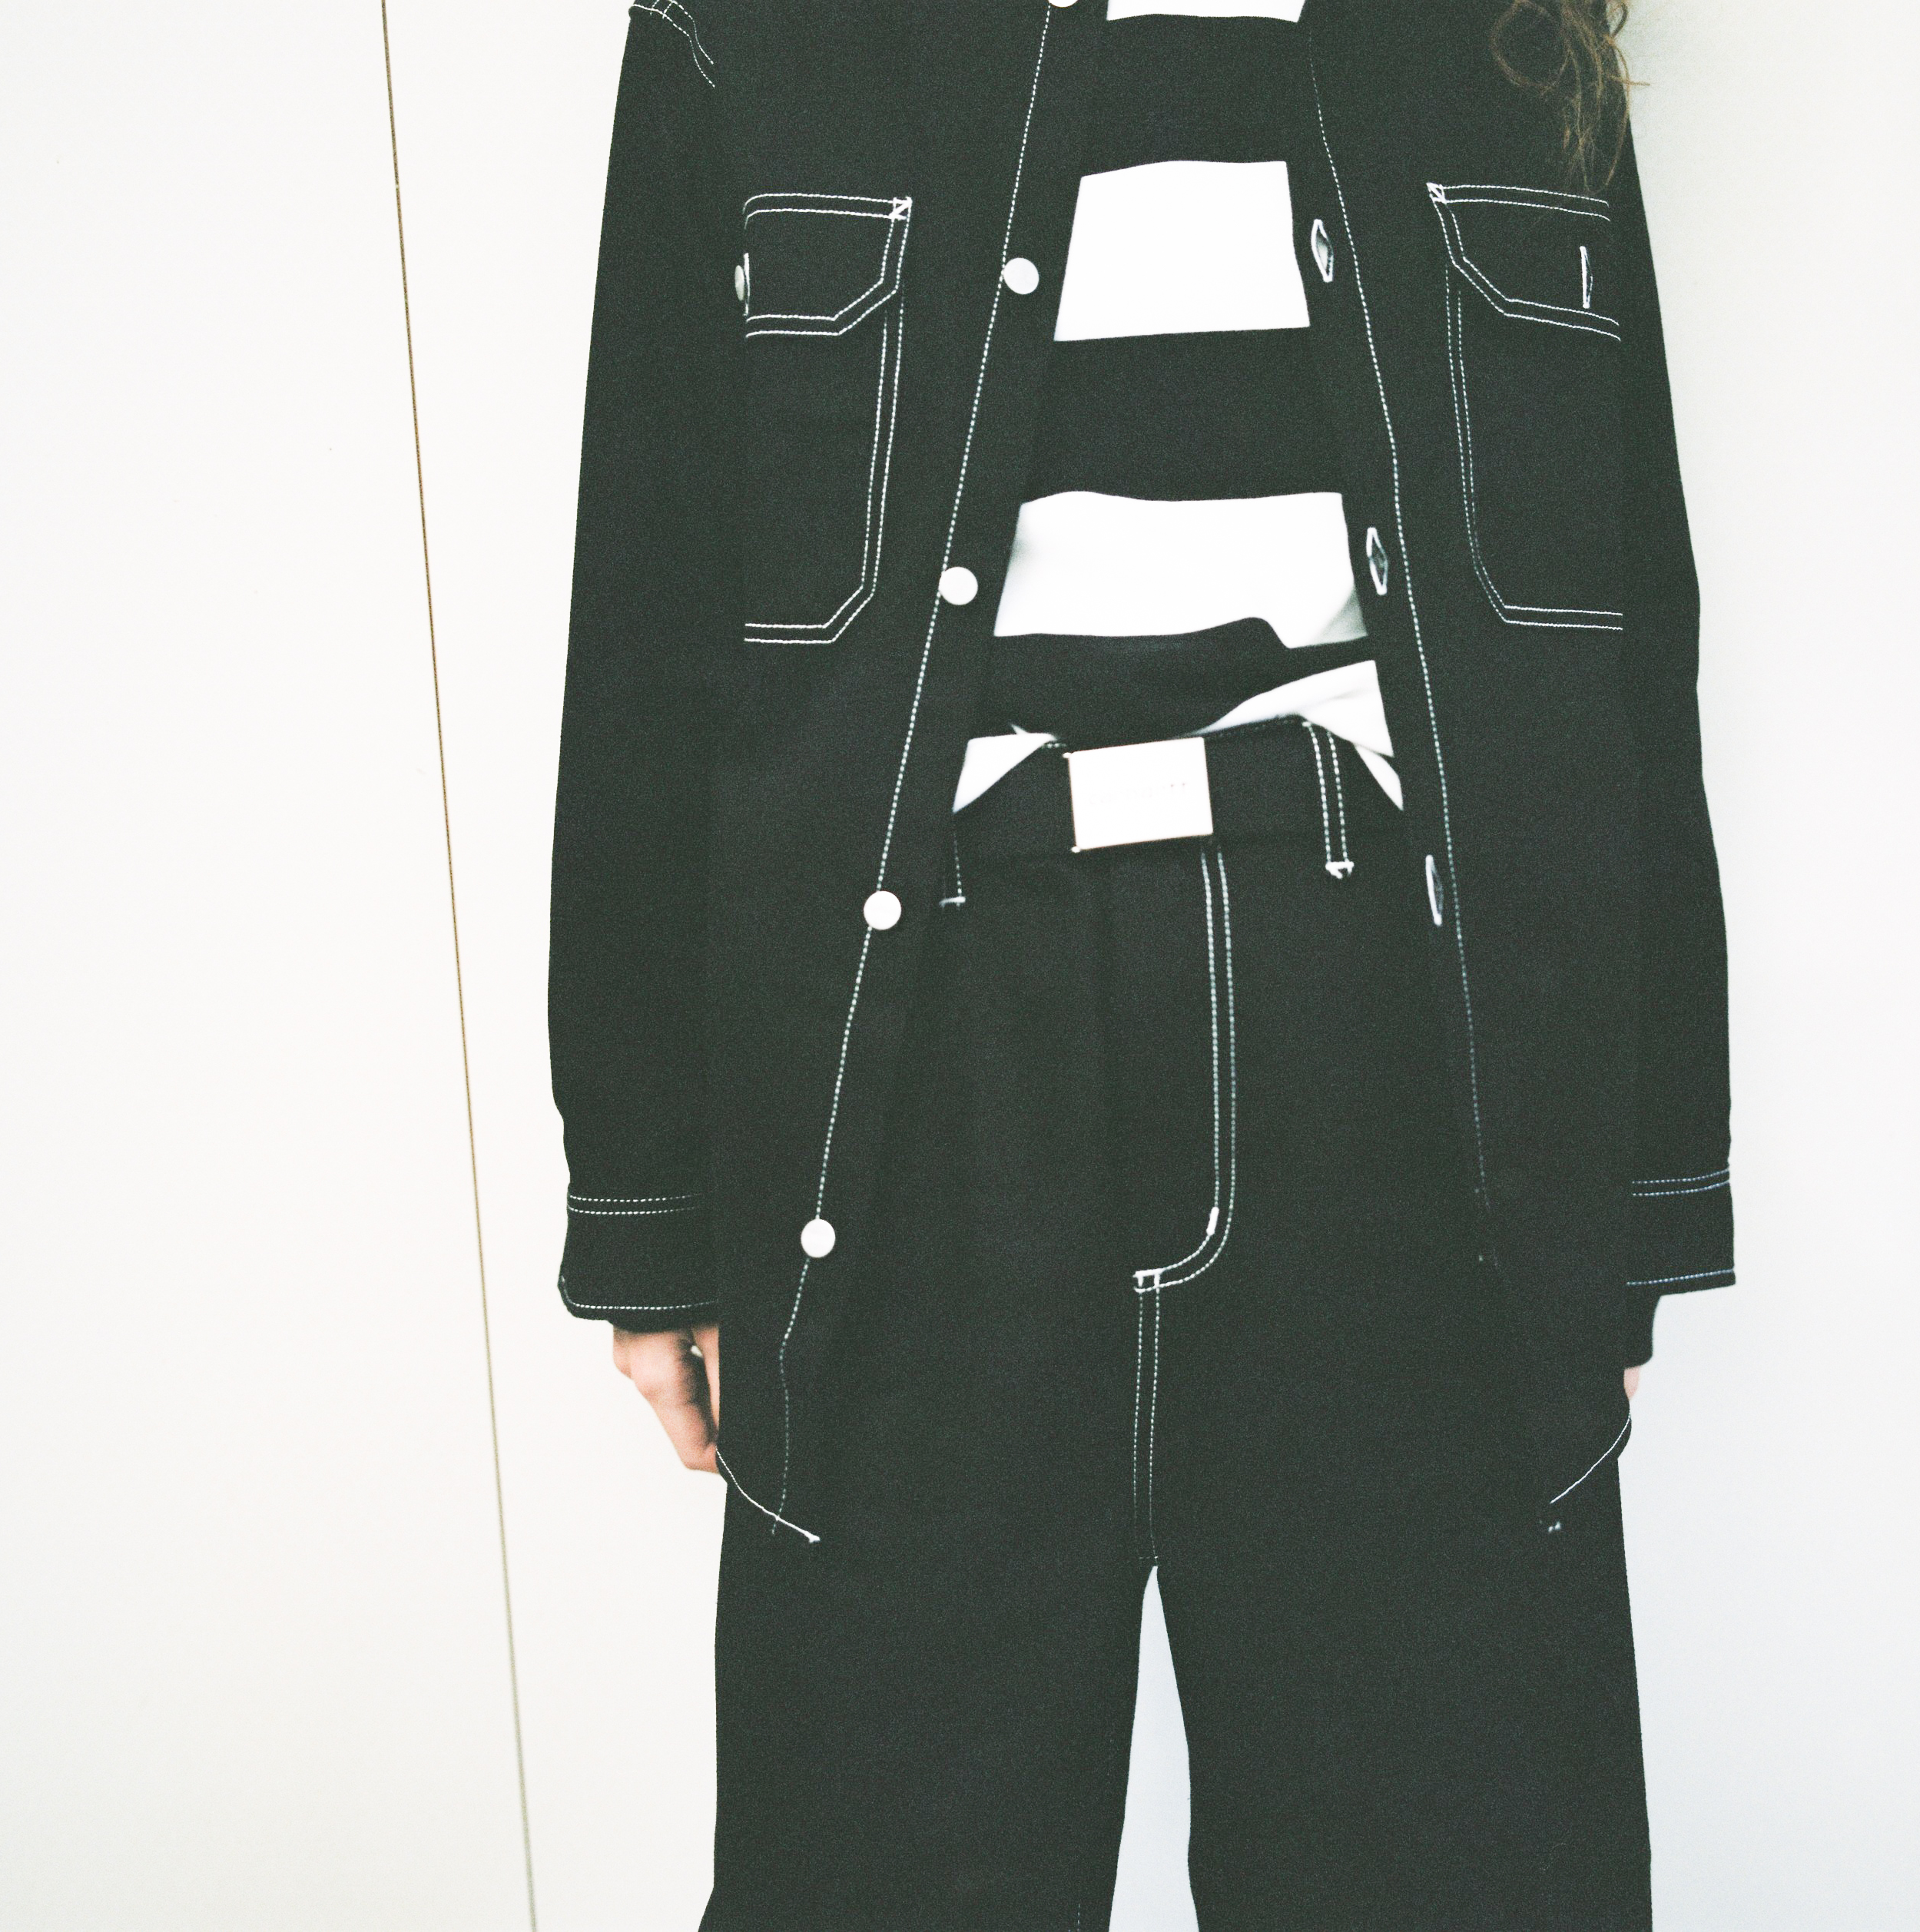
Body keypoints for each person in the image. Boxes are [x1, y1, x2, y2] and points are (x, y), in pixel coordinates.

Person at [550, 0, 1730, 1924]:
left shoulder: (1497, 31)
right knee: (880, 1871)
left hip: (1399, 1064)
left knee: (1450, 1866)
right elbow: (653, 615)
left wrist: (1637, 1183)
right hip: (917, 1082)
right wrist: (650, 1201)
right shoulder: (750, 27)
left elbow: (1613, 615)